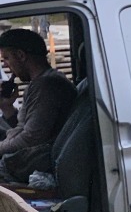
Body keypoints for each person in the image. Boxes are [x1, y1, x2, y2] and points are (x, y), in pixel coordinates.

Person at [0, 26, 76, 182]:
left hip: (36, 163)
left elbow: (30, 139)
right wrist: (7, 107)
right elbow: (26, 129)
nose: (5, 66)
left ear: (21, 55)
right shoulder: (39, 83)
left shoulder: (47, 86)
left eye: (6, 58)